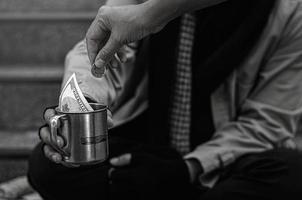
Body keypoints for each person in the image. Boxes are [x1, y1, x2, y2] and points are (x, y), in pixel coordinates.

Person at [28, 0, 302, 199]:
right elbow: (100, 49)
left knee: (290, 174)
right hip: (149, 145)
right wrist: (82, 103)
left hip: (225, 160)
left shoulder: (289, 12)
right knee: (49, 164)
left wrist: (188, 168)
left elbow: (268, 123)